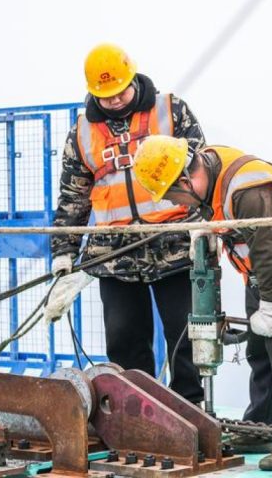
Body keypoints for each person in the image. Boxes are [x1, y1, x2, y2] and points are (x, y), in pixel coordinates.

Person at [132, 135, 272, 471]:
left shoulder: (248, 189)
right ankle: (258, 429)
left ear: (185, 179)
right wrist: (205, 231)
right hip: (263, 276)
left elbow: (269, 251)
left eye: (174, 194)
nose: (179, 203)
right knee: (260, 354)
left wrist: (271, 305)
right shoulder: (211, 167)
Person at [45, 43, 204, 404]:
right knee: (124, 340)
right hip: (115, 255)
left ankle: (191, 410)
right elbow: (73, 197)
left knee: (187, 337)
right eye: (106, 96)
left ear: (132, 79)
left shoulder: (171, 111)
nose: (115, 101)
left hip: (175, 248)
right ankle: (139, 414)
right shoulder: (82, 132)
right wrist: (63, 253)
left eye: (120, 92)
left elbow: (200, 170)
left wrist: (201, 227)